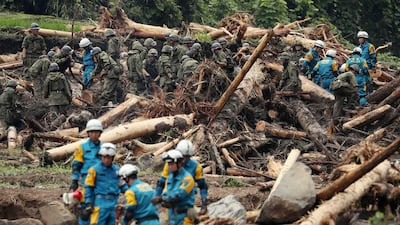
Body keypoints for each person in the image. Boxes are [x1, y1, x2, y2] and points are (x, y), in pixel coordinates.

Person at [154, 140, 208, 216]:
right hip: (170, 198)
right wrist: (156, 199)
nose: (184, 159)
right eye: (183, 156)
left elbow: (202, 186)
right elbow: (161, 183)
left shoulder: (196, 167)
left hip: (186, 199)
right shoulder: (170, 165)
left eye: (187, 157)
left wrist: (204, 202)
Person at [70, 119, 103, 225]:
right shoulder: (82, 147)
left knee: (99, 207)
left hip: (101, 181)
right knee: (86, 207)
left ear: (100, 133)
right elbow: (76, 165)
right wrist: (74, 180)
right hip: (86, 180)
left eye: (96, 132)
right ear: (88, 133)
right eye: (92, 132)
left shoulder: (104, 148)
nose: (94, 134)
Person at [152, 149, 196, 225]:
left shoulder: (188, 179)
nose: (169, 166)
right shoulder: (170, 178)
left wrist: (162, 199)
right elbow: (166, 193)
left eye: (172, 164)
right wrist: (161, 198)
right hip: (172, 216)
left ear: (179, 163)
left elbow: (179, 195)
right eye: (169, 164)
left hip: (184, 217)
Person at [83, 143, 121, 225]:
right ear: (101, 157)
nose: (106, 160)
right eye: (104, 157)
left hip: (114, 203)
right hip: (100, 203)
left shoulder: (117, 170)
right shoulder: (94, 170)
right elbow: (89, 187)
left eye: (109, 157)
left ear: (113, 158)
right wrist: (89, 202)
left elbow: (123, 185)